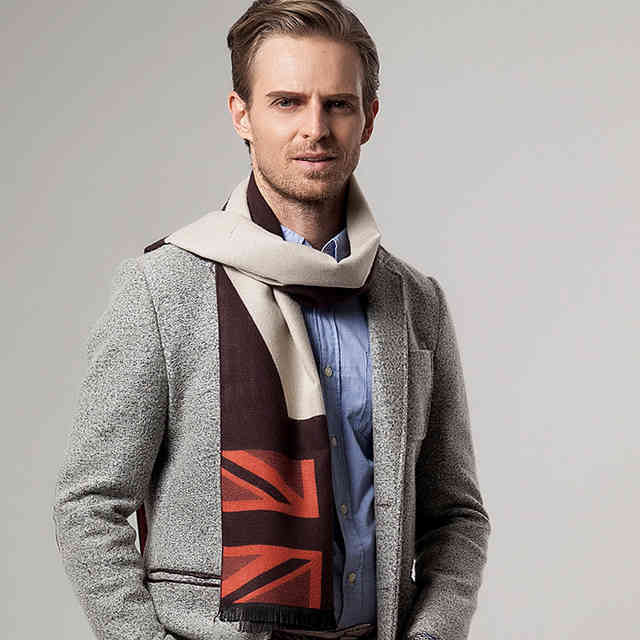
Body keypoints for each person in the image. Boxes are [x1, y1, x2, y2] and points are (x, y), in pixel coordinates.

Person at [51, 2, 491, 640]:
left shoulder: (413, 302)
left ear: (368, 119)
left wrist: (432, 634)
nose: (316, 128)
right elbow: (89, 506)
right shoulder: (163, 288)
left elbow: (456, 516)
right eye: (287, 102)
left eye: (338, 104)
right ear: (242, 115)